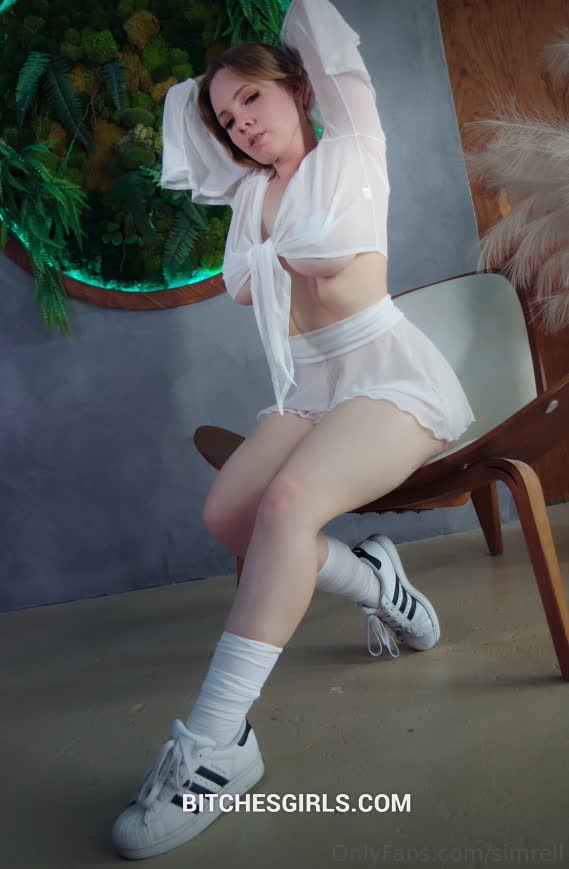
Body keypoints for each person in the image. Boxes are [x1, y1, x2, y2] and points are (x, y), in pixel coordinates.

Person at [112, 0, 476, 859]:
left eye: (252, 98)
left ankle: (217, 743)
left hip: (384, 376)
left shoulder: (351, 147)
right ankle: (376, 580)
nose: (239, 123)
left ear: (298, 90)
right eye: (225, 117)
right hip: (308, 388)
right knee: (227, 516)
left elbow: (322, 35)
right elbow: (254, 276)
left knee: (285, 508)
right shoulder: (250, 196)